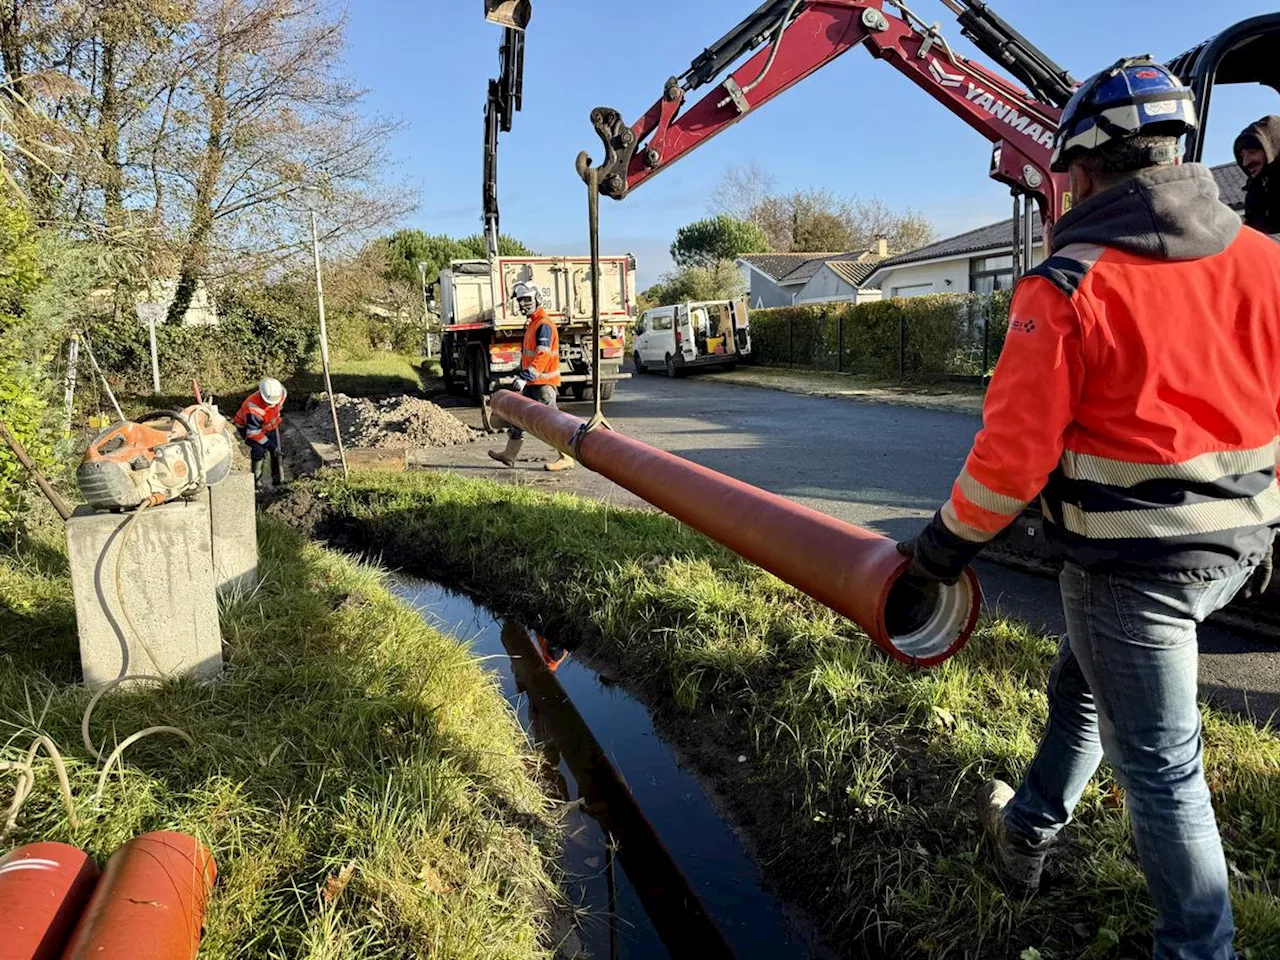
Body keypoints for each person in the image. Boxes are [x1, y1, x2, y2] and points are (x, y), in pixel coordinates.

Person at [898, 57, 1280, 960]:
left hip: (1131, 567)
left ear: (1081, 168)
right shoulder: (1265, 262)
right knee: (1083, 681)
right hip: (1241, 552)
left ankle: (1199, 948)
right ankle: (1025, 833)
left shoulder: (1066, 283)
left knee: (1162, 768)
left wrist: (942, 550)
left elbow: (1010, 463)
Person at [488, 281, 575, 472]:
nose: (523, 304)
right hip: (533, 382)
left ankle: (567, 458)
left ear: (537, 299)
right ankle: (509, 455)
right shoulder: (534, 323)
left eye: (527, 299)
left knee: (552, 424)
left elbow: (542, 355)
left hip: (543, 385)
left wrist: (526, 376)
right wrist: (522, 374)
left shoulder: (543, 325)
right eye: (520, 300)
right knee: (518, 417)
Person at [234, 377, 287, 489]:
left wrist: (276, 415)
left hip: (269, 425)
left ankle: (278, 481)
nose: (271, 405)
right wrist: (271, 446)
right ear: (261, 396)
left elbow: (279, 406)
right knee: (259, 450)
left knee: (277, 451)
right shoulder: (253, 409)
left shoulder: (281, 393)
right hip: (249, 428)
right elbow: (254, 433)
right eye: (268, 403)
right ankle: (256, 483)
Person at [1234, 115, 1280, 234]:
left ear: (1273, 150)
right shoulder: (1256, 190)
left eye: (1252, 152)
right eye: (1242, 156)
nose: (1246, 162)